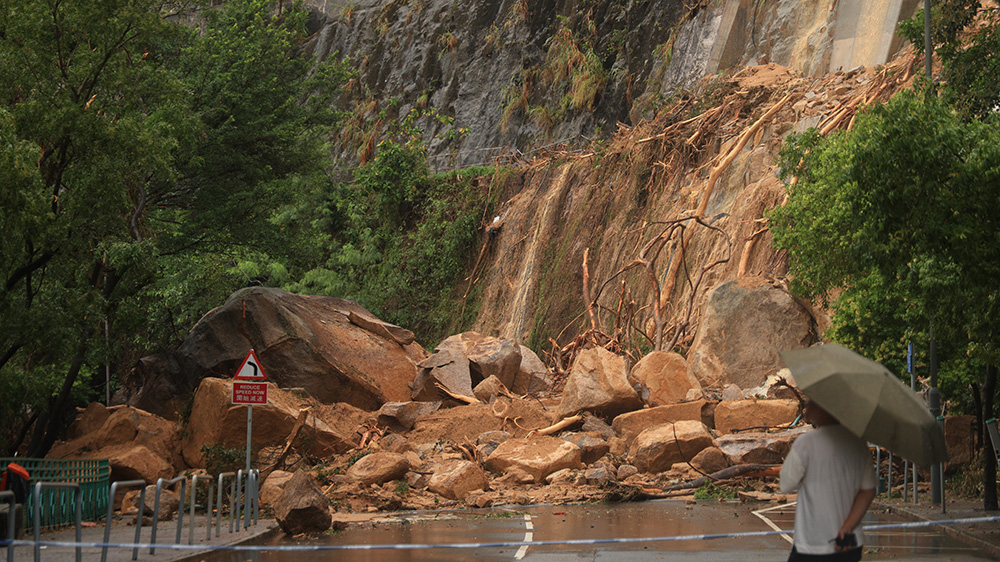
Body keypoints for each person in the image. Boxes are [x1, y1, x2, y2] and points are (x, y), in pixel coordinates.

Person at [780, 399, 877, 561]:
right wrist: (846, 527)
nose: (807, 405)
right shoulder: (858, 444)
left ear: (821, 408)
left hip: (812, 544)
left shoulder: (805, 444)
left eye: (811, 402)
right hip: (848, 542)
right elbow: (868, 490)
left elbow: (786, 484)